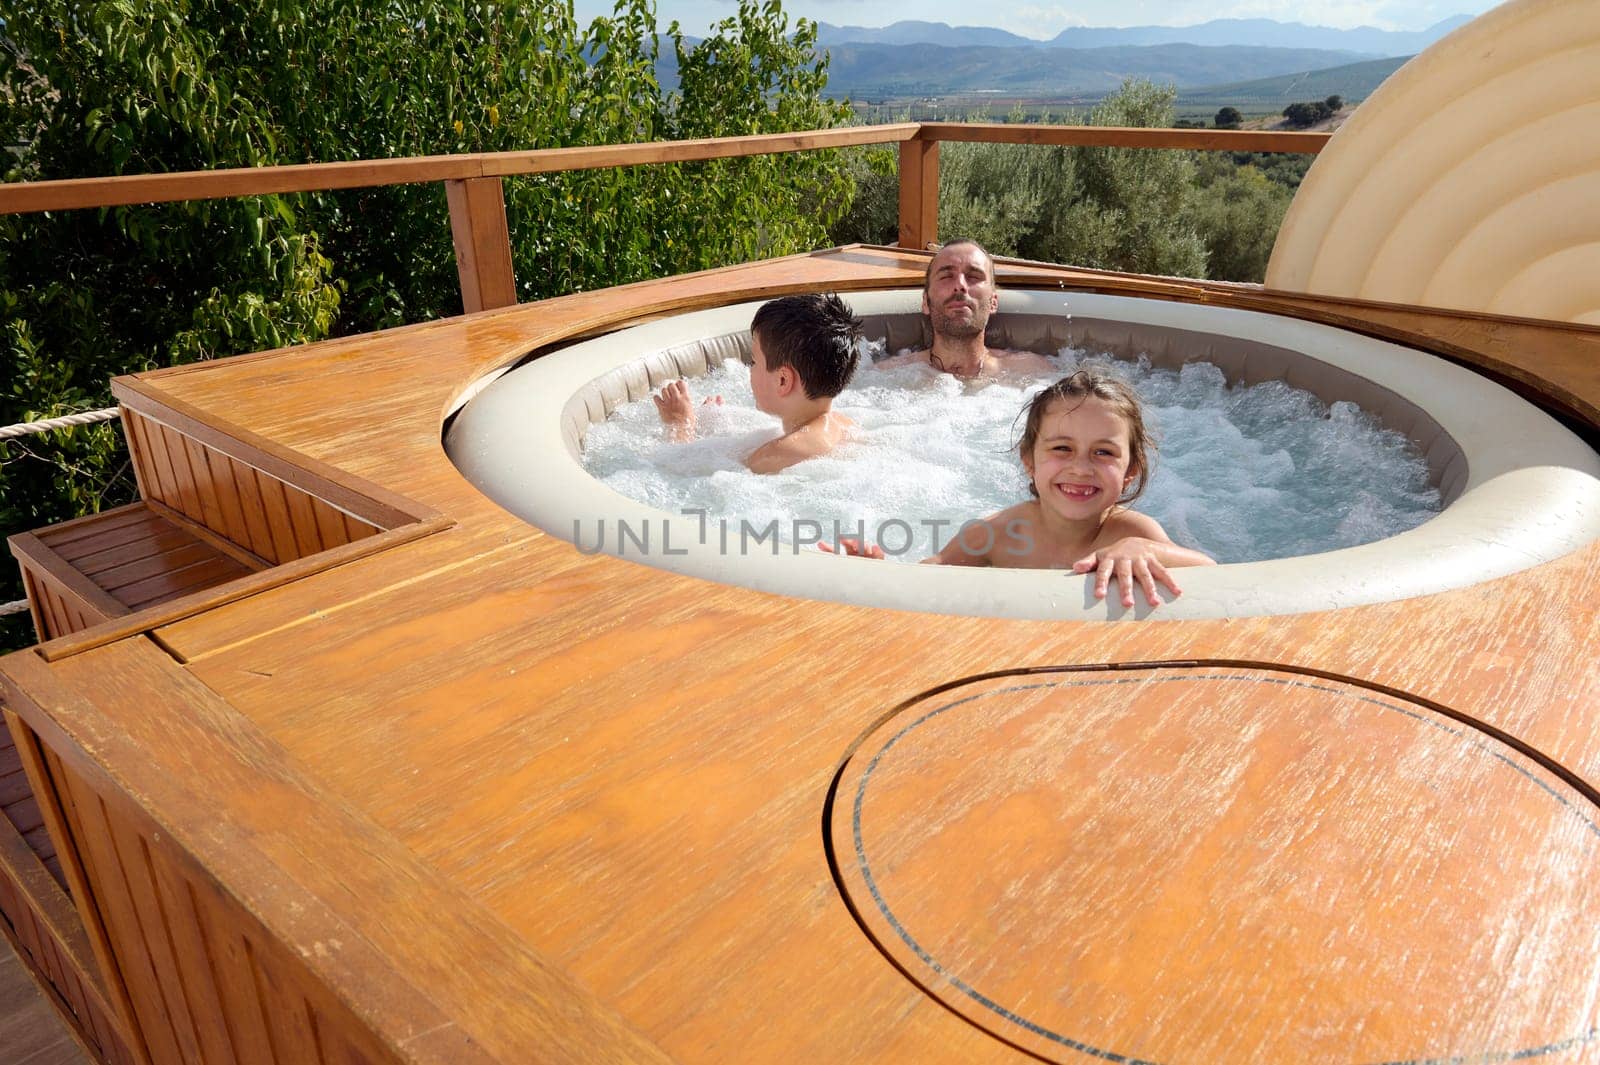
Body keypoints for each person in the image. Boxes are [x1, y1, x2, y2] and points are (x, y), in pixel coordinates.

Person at [825, 369, 1214, 607]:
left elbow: (1212, 573)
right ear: (1029, 459)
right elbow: (931, 576)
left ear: (1131, 470)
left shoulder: (1133, 534)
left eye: (1104, 452)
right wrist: (880, 576)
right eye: (1062, 448)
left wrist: (1143, 550)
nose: (1081, 467)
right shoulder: (997, 534)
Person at [653, 292, 861, 474]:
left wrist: (680, 425)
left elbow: (681, 474)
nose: (749, 369)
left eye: (754, 362)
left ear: (783, 380)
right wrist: (720, 427)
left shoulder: (775, 456)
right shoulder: (844, 426)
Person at [877, 238, 1055, 377]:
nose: (960, 285)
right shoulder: (884, 375)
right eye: (947, 276)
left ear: (993, 302)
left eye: (974, 277)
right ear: (925, 302)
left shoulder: (1033, 372)